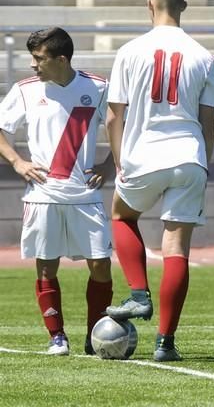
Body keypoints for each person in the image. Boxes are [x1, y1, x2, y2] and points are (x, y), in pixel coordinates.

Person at [104, 0, 214, 362]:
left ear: (148, 4)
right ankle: (164, 344)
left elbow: (113, 116)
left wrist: (119, 160)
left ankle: (139, 294)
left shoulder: (130, 51)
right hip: (189, 154)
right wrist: (205, 165)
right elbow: (208, 124)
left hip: (143, 154)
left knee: (121, 216)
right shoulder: (203, 55)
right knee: (176, 247)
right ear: (184, 6)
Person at [0, 27, 114, 356]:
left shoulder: (98, 87)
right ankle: (57, 337)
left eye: (39, 58)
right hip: (43, 195)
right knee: (47, 266)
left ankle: (95, 337)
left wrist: (108, 165)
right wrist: (17, 162)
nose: (33, 65)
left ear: (61, 59)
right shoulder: (25, 90)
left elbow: (123, 127)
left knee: (101, 265)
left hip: (85, 195)